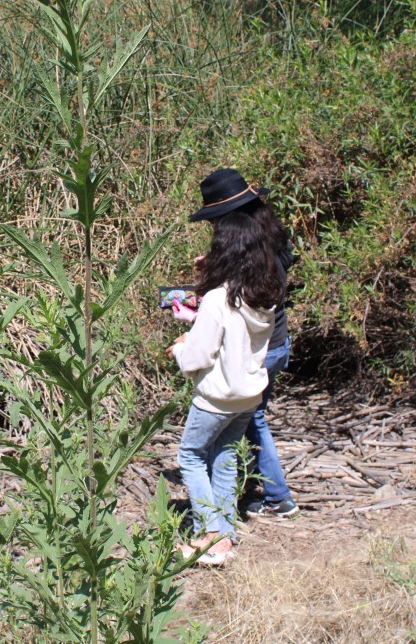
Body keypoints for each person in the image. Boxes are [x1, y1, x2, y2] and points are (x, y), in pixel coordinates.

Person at [173, 168, 299, 520]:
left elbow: (205, 346)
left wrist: (187, 343)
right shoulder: (267, 239)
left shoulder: (248, 266)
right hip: (269, 341)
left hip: (258, 349)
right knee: (239, 429)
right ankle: (229, 513)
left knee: (247, 422)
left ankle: (275, 496)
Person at [167, 207, 284, 566]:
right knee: (225, 457)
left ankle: (211, 535)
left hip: (216, 398)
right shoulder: (264, 295)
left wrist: (180, 347)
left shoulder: (219, 299)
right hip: (248, 395)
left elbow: (197, 358)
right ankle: (226, 533)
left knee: (190, 456)